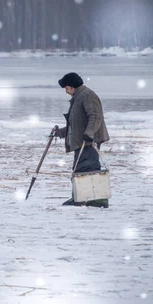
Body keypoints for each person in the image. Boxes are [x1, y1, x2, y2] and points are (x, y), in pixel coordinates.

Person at [54, 72, 110, 208]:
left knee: (87, 168)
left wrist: (89, 133)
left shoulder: (87, 95)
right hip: (82, 140)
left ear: (72, 86)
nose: (65, 91)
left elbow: (96, 116)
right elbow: (76, 124)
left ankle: (94, 199)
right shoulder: (78, 97)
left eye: (66, 88)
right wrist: (60, 132)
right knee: (80, 168)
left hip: (90, 140)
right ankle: (81, 197)